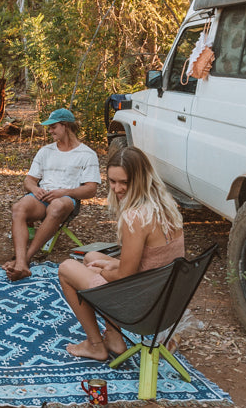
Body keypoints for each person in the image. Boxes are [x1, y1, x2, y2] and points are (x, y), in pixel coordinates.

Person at [57, 143, 184, 361]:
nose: (116, 189)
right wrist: (109, 265)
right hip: (166, 298)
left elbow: (126, 276)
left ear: (140, 179)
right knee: (91, 257)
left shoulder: (136, 216)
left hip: (143, 308)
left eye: (124, 182)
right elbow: (151, 261)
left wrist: (106, 272)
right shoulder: (165, 204)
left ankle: (95, 345)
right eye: (112, 181)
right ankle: (114, 337)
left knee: (67, 268)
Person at [3, 108, 101, 280]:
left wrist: (65, 192)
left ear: (66, 126)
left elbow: (91, 189)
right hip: (42, 197)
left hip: (67, 199)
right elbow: (29, 180)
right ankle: (20, 263)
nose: (50, 131)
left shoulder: (87, 154)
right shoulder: (45, 151)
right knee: (19, 208)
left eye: (53, 127)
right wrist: (35, 189)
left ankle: (25, 259)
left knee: (57, 206)